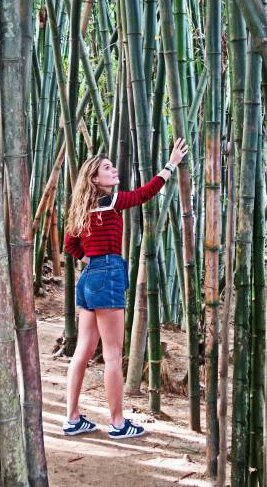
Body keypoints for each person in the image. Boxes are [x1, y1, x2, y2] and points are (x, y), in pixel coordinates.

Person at [61, 138, 189, 439]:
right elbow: (146, 193)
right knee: (113, 353)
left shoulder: (83, 209)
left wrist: (91, 260)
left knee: (83, 351)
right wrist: (170, 165)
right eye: (107, 168)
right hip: (107, 274)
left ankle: (72, 418)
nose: (113, 169)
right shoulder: (112, 201)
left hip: (90, 277)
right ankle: (118, 424)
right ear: (95, 179)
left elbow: (70, 245)